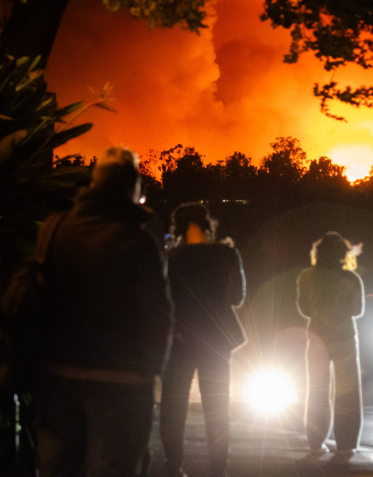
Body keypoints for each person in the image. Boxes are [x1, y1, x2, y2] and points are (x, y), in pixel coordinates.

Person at [36, 147, 173, 477]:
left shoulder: (55, 229)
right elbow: (158, 314)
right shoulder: (137, 241)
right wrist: (153, 372)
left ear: (94, 184)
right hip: (121, 383)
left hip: (59, 379)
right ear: (132, 189)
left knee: (58, 469)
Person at [159, 202, 246, 477]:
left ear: (179, 228)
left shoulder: (171, 257)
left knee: (173, 409)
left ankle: (174, 466)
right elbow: (237, 297)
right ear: (207, 225)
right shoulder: (227, 254)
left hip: (180, 339)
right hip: (216, 339)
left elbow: (163, 300)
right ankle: (218, 469)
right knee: (217, 409)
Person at [297, 232, 365, 454]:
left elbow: (304, 309)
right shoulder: (352, 279)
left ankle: (316, 441)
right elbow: (357, 310)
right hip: (344, 338)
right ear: (342, 254)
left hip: (317, 338)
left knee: (317, 391)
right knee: (347, 392)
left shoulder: (306, 276)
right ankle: (346, 444)